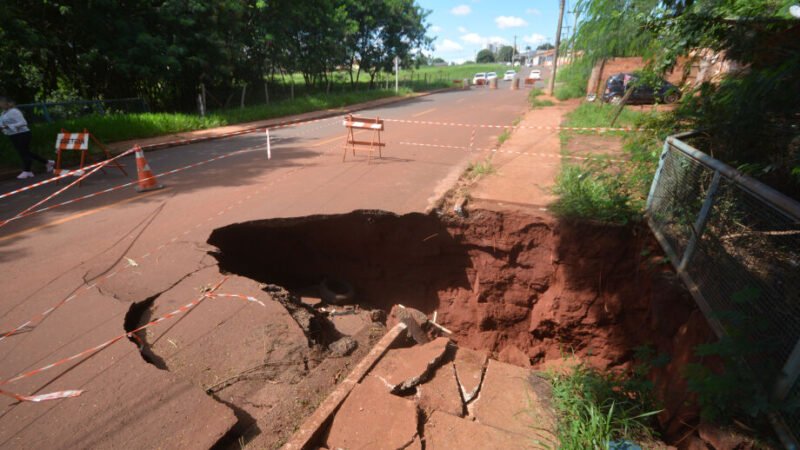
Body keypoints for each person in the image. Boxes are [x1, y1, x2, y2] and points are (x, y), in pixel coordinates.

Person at [0, 96, 54, 179]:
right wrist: (4, 128)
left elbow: (23, 122)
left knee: (23, 152)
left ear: (6, 103)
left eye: (1, 103)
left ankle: (27, 170)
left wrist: (9, 126)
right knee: (26, 152)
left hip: (22, 134)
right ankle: (47, 162)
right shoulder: (3, 113)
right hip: (12, 135)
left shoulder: (14, 111)